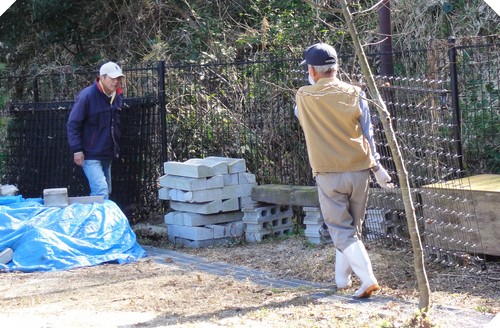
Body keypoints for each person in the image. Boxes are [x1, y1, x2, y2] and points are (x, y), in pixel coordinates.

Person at [295, 43, 393, 298]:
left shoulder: (304, 96)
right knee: (352, 230)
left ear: (312, 71)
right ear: (336, 68)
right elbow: (369, 134)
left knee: (341, 230)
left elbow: (301, 118)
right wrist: (378, 168)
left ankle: (368, 278)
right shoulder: (356, 93)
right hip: (360, 170)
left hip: (328, 173)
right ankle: (342, 280)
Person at [67, 61, 125, 200]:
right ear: (102, 77)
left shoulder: (117, 95)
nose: (116, 81)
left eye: (118, 78)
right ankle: (98, 221)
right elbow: (72, 124)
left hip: (107, 153)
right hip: (90, 154)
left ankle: (101, 220)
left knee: (106, 190)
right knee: (101, 191)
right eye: (113, 78)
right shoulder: (87, 96)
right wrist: (77, 150)